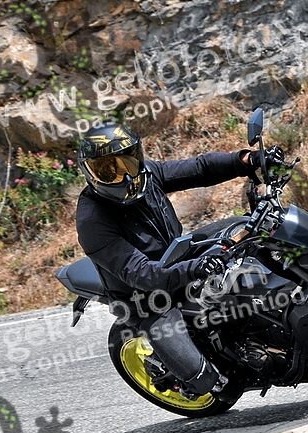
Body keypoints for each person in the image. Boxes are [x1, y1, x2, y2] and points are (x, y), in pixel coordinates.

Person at [75, 122, 284, 400]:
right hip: (148, 299)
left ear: (137, 156)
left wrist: (246, 160)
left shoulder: (148, 175)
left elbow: (199, 168)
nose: (123, 176)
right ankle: (186, 375)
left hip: (179, 255)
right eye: (107, 170)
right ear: (90, 173)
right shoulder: (92, 220)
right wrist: (196, 268)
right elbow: (141, 274)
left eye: (126, 163)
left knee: (247, 228)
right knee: (212, 384)